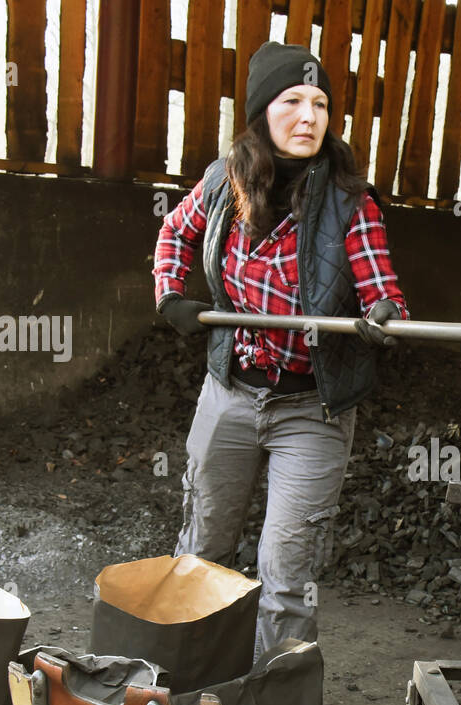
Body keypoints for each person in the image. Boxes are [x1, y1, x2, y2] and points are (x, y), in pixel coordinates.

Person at [152, 41, 409, 658]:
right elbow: (173, 231)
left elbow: (384, 292)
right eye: (292, 100)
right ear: (262, 112)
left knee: (286, 575)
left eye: (320, 103)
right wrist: (170, 295)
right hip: (230, 395)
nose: (309, 116)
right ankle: (188, 683)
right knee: (202, 550)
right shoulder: (222, 183)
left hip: (311, 411)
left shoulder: (352, 202)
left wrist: (383, 317)